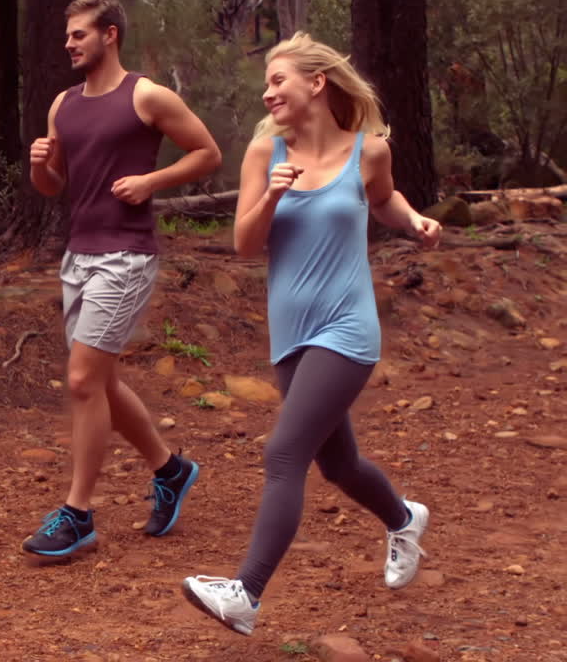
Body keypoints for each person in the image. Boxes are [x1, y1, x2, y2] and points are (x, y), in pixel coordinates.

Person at [181, 32, 442, 635]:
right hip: (290, 332)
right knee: (339, 464)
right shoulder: (263, 153)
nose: (267, 92)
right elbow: (245, 246)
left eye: (278, 81)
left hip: (346, 327)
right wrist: (272, 195)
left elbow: (383, 202)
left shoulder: (368, 150)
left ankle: (246, 592)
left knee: (284, 453)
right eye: (266, 84)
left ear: (316, 84)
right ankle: (403, 518)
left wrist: (413, 221)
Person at [21, 0, 222, 559]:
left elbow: (207, 153)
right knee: (101, 382)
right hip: (78, 256)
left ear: (110, 34)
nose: (69, 44)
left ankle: (79, 514)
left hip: (126, 256)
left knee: (83, 380)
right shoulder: (63, 104)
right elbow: (54, 187)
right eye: (67, 36)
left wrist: (150, 182)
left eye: (79, 34)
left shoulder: (147, 96)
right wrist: (41, 166)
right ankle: (171, 469)